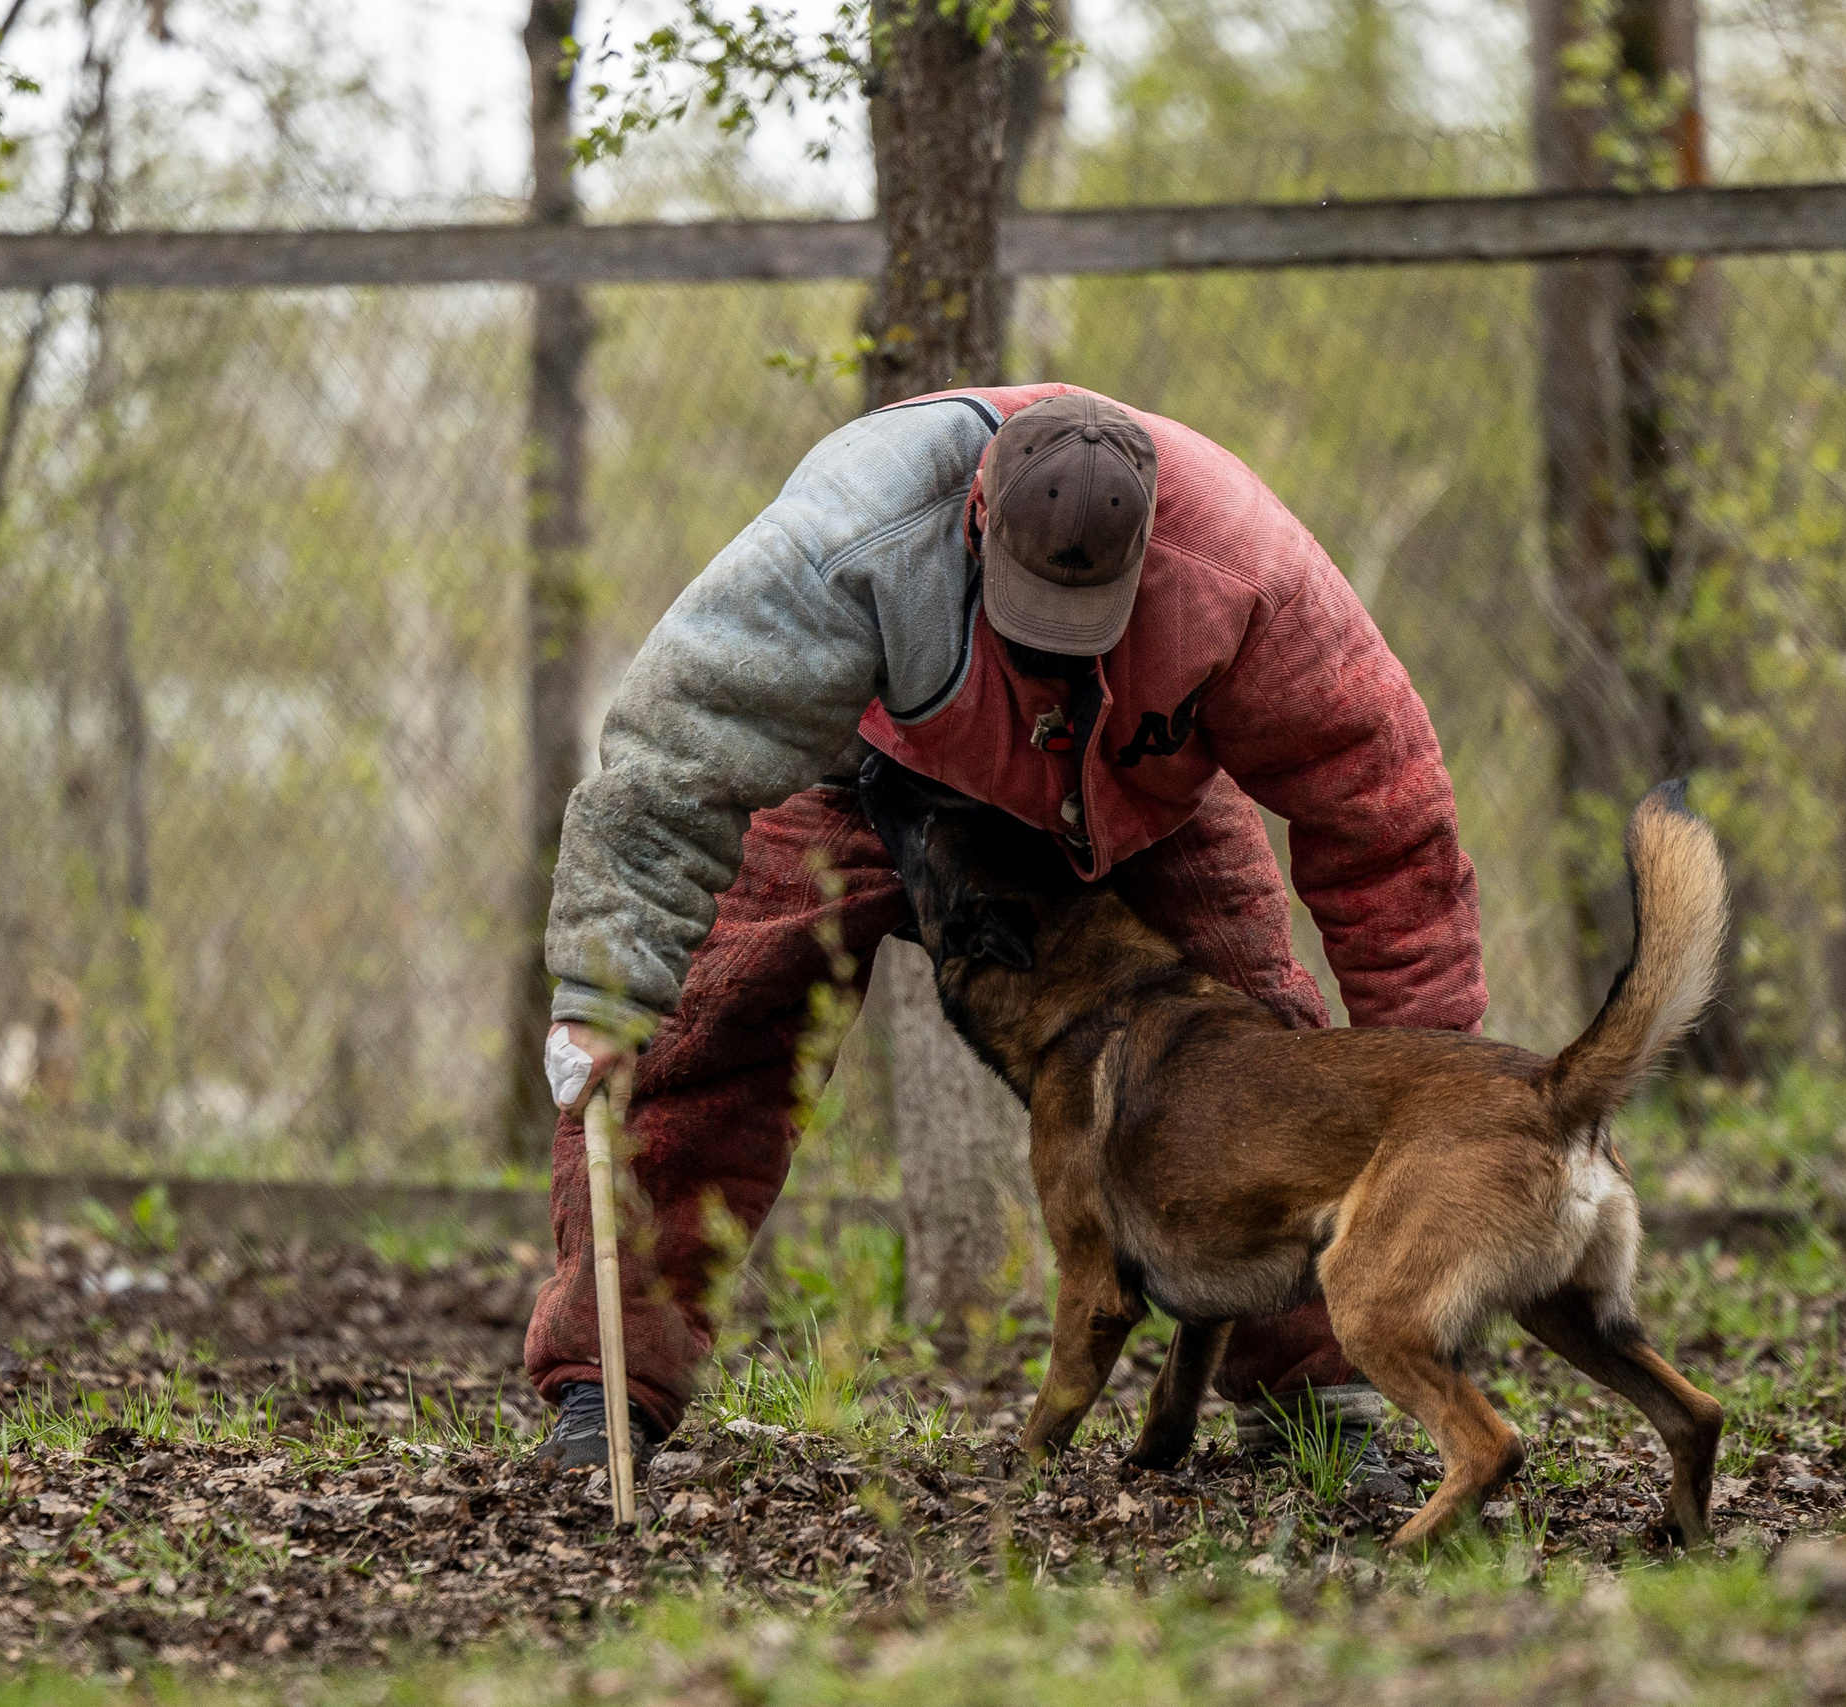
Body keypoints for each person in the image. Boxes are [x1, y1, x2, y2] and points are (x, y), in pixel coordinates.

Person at [528, 386, 1485, 1492]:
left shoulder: (1246, 573)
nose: (1056, 650)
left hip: (1132, 801)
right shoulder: (852, 533)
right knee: (708, 1023)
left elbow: (1387, 825)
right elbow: (671, 764)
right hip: (872, 771)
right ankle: (609, 1389)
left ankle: (1319, 1398)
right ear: (976, 520)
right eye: (1033, 619)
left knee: (1258, 1053)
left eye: (1090, 622)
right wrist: (606, 987)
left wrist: (1437, 1098)